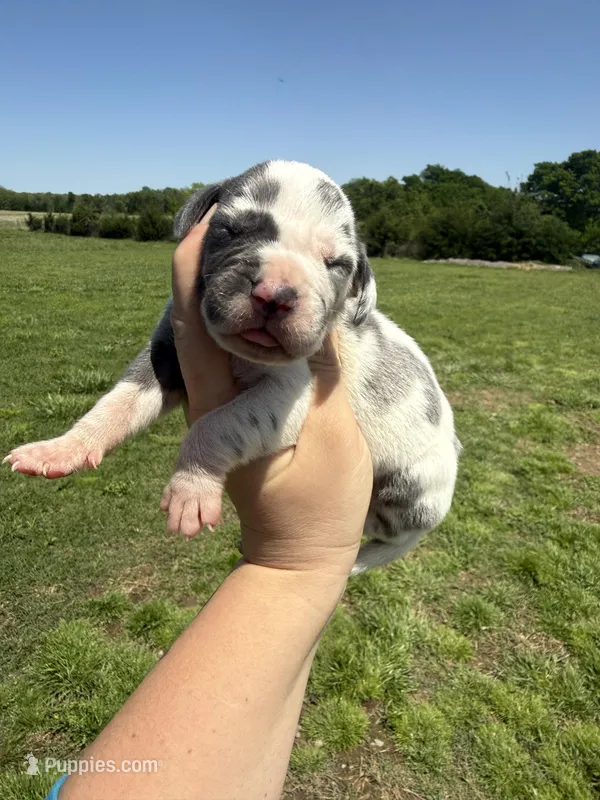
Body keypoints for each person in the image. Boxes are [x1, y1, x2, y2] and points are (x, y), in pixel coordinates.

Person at [46, 209, 373, 800]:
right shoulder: (202, 308)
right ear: (198, 224)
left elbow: (283, 402)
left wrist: (203, 462)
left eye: (331, 263)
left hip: (399, 486)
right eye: (239, 230)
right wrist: (83, 438)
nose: (274, 291)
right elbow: (154, 373)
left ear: (356, 289)